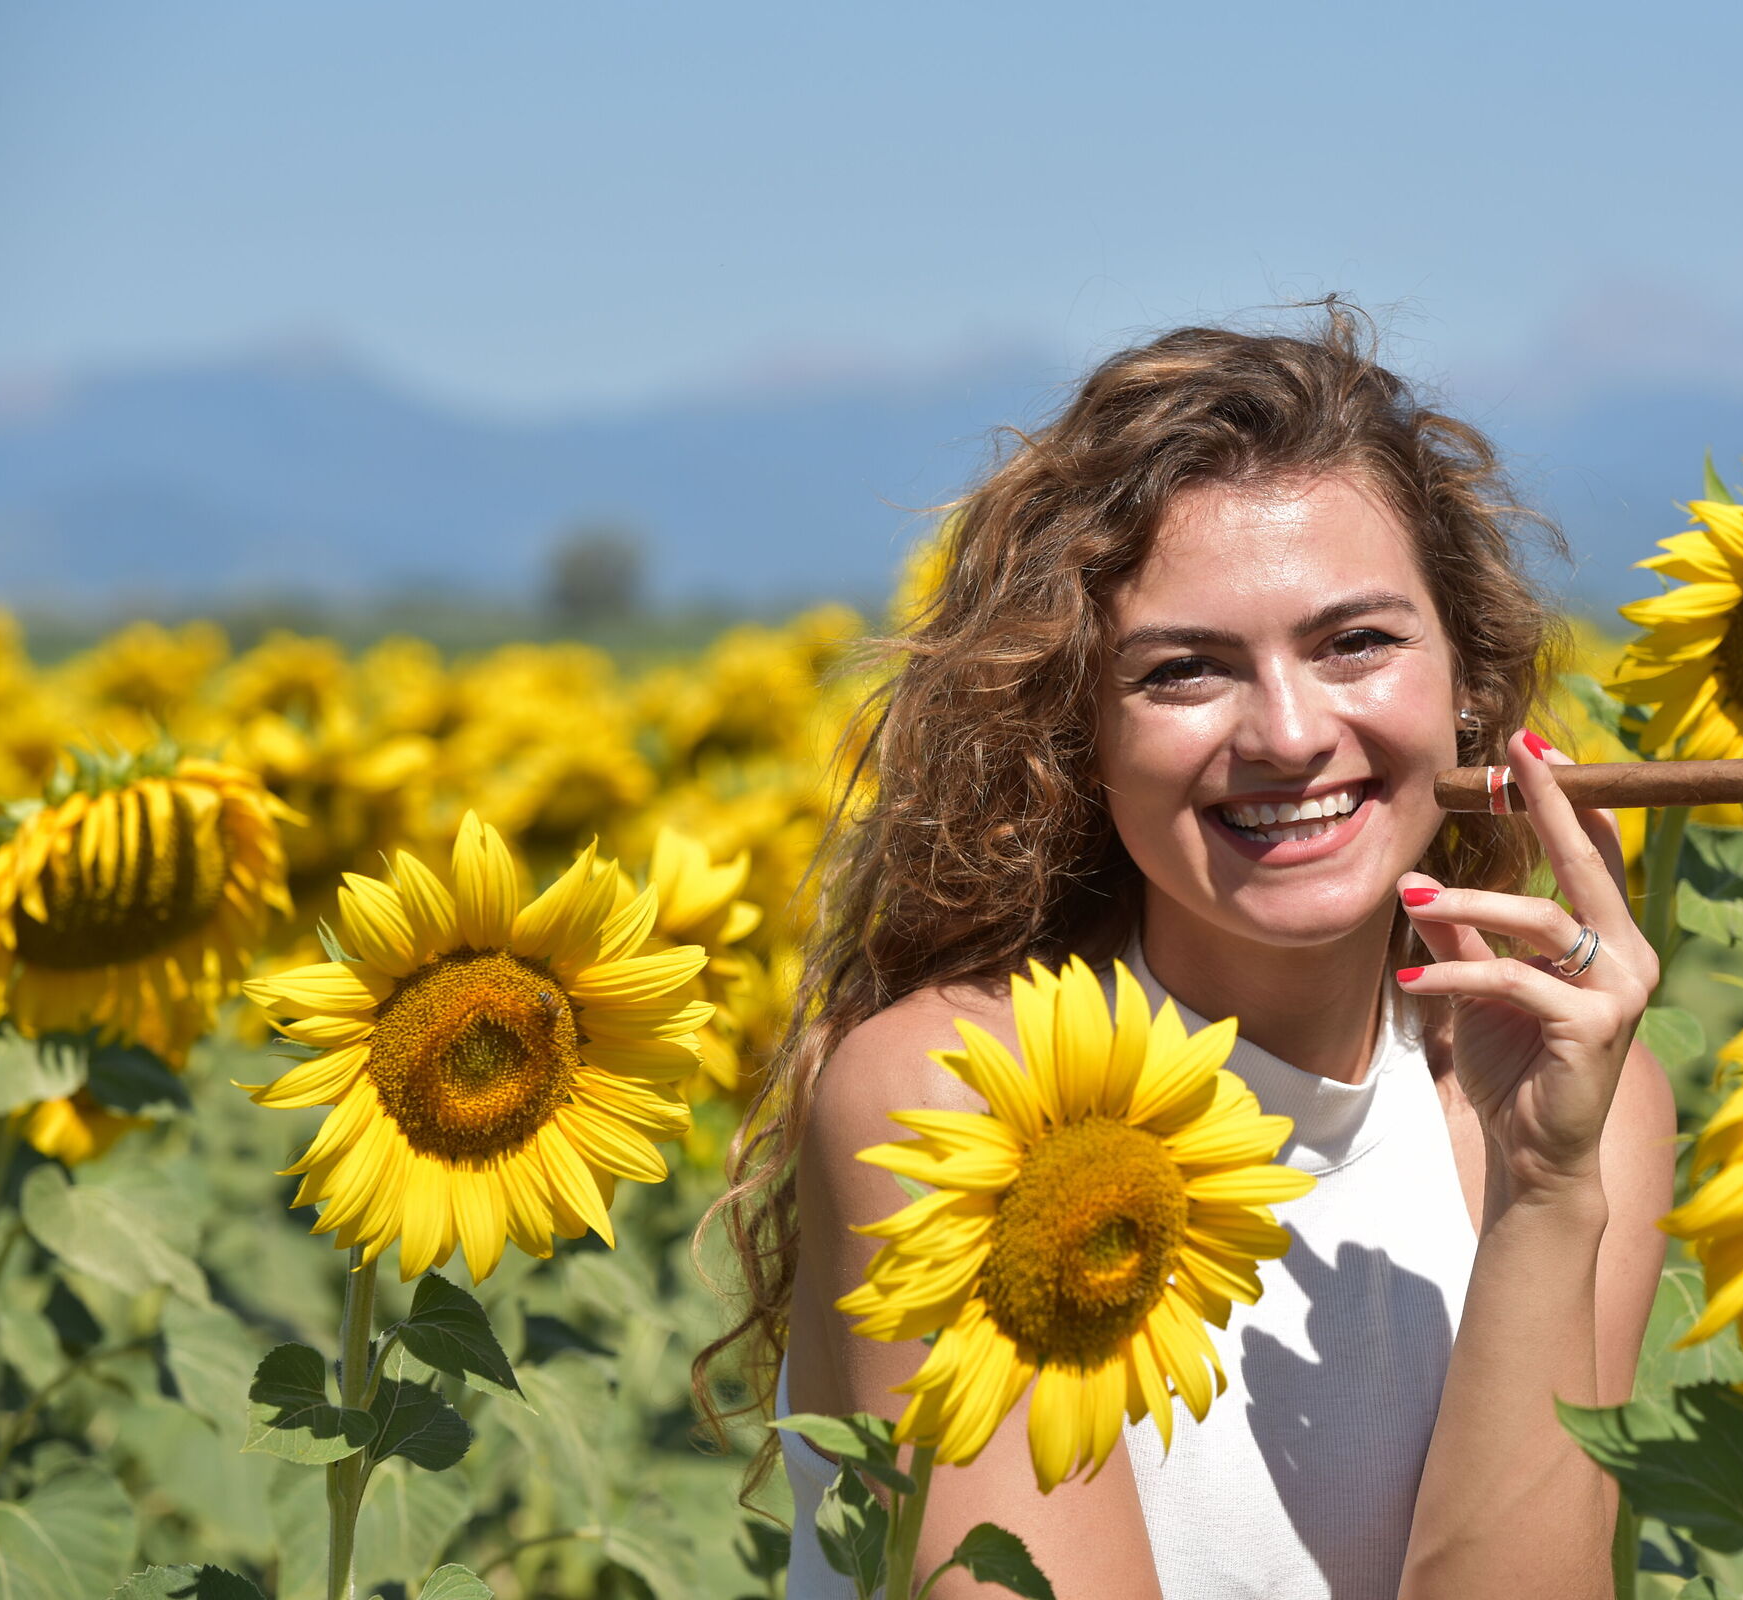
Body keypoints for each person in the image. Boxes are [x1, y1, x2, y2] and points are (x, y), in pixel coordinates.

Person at [699, 303, 1676, 1599]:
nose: (1286, 732)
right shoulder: (965, 1097)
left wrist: (1548, 1196)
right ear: (1077, 731)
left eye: (1357, 643)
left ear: (1469, 690)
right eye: (1185, 671)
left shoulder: (1583, 1110)